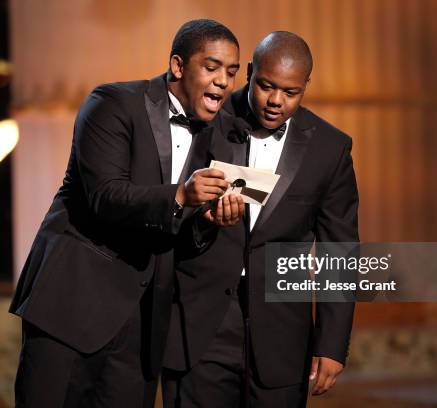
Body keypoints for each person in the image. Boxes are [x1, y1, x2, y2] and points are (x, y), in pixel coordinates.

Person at [9, 19, 243, 407]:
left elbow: (179, 235)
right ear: (178, 66)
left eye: (231, 72)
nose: (223, 81)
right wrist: (181, 196)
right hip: (73, 303)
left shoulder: (219, 138)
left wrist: (205, 223)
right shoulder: (113, 103)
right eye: (212, 67)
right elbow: (104, 196)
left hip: (144, 326)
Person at [162, 31, 359, 407]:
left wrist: (333, 344)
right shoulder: (207, 118)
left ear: (306, 86)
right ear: (250, 72)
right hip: (200, 327)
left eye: (290, 92)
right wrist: (204, 220)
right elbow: (171, 208)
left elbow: (341, 250)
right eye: (266, 86)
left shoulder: (329, 149)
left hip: (282, 332)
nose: (275, 101)